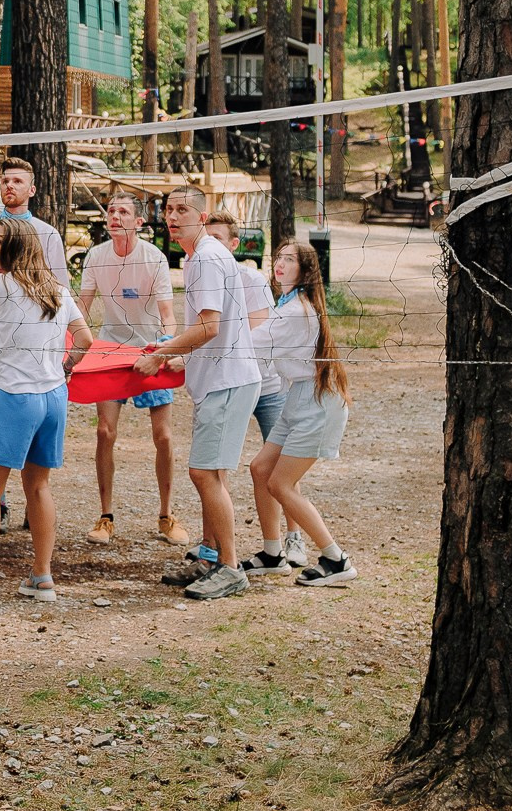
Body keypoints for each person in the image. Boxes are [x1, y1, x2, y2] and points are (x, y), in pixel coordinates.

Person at [0, 218, 90, 610]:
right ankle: (42, 577)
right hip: (54, 398)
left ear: (17, 248)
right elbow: (86, 339)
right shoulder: (58, 289)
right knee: (38, 487)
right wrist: (67, 366)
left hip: (15, 397)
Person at [134, 188, 262, 602]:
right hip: (218, 378)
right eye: (168, 210)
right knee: (215, 472)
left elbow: (210, 327)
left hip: (229, 380)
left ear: (202, 216)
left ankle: (230, 567)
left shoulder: (207, 256)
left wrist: (160, 355)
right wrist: (182, 361)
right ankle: (209, 557)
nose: (172, 217)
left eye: (182, 210)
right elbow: (210, 332)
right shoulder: (197, 257)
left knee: (204, 473)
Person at [75, 192, 182, 546]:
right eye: (111, 211)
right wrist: (69, 345)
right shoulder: (95, 256)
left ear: (138, 222)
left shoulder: (154, 258)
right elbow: (82, 308)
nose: (115, 216)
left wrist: (167, 350)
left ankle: (167, 515)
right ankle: (105, 516)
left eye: (123, 212)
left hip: (150, 348)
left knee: (163, 436)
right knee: (105, 432)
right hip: (110, 348)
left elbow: (168, 314)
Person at [245, 242, 355, 584]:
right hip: (297, 396)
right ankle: (272, 552)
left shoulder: (296, 311)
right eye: (278, 258)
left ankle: (336, 559)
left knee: (281, 483)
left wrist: (193, 344)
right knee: (260, 468)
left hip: (317, 403)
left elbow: (249, 344)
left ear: (305, 270)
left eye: (289, 260)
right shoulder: (287, 304)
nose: (280, 264)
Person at [210, 212, 295, 565]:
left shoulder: (251, 279)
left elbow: (259, 334)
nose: (211, 245)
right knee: (215, 466)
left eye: (218, 238)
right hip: (228, 384)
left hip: (266, 385)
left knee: (280, 467)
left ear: (233, 244)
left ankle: (293, 537)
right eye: (207, 238)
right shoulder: (201, 279)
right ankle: (217, 547)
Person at [0, 158, 65, 313]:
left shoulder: (49, 235)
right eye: (5, 181)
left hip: (33, 317)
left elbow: (58, 286)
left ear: (32, 190)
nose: (9, 185)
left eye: (18, 181)